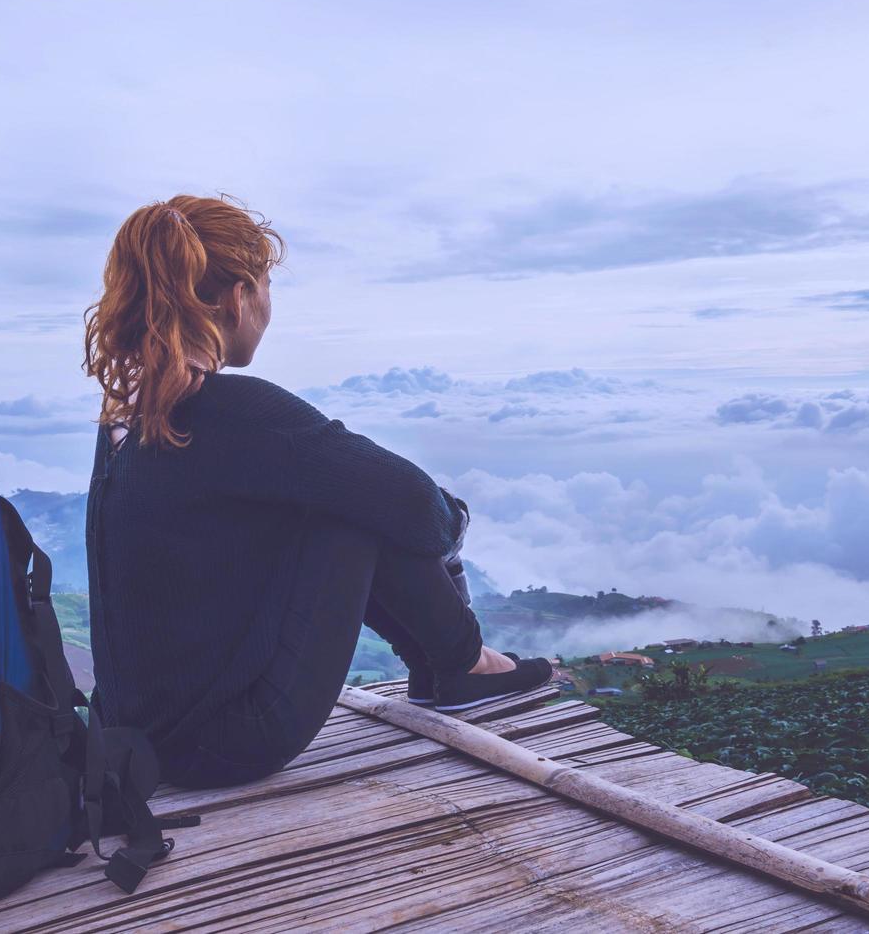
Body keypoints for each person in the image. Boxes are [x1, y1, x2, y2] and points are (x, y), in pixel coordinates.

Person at [80, 193, 553, 788]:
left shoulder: (128, 420)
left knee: (338, 491)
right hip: (225, 743)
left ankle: (455, 667)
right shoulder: (235, 413)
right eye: (266, 288)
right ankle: (463, 665)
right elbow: (411, 504)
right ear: (237, 297)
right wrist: (453, 524)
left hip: (135, 736)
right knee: (355, 505)